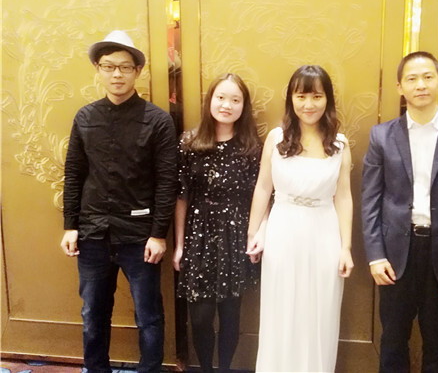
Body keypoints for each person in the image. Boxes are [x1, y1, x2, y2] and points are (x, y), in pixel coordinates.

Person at [60, 30, 178, 373]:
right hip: (93, 233)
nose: (116, 74)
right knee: (92, 314)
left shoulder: (158, 120)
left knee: (149, 316)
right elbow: (74, 174)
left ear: (137, 71)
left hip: (140, 235)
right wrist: (70, 225)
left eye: (125, 67)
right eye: (109, 66)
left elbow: (167, 182)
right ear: (98, 69)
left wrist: (158, 234)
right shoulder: (85, 117)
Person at [361, 51, 438, 372]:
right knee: (392, 338)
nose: (421, 85)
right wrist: (375, 255)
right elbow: (371, 200)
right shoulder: (381, 136)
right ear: (399, 87)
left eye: (428, 77)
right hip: (394, 255)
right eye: (412, 79)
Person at [247, 65, 354, 372]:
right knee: (281, 310)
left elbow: (343, 197)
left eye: (317, 96)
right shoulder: (276, 138)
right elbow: (263, 188)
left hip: (324, 233)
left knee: (320, 312)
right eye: (301, 96)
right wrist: (254, 233)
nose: (309, 104)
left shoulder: (340, 144)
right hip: (283, 231)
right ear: (291, 99)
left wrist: (346, 247)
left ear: (327, 99)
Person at [172, 73, 262, 373]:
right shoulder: (189, 142)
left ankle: (224, 368)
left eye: (235, 100)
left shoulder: (252, 146)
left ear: (243, 106)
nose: (227, 105)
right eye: (220, 97)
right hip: (197, 236)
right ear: (209, 100)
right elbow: (181, 196)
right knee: (199, 317)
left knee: (230, 315)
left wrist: (255, 236)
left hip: (235, 236)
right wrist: (179, 245)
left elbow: (261, 195)